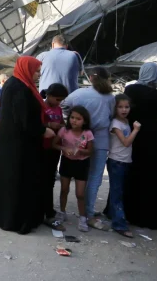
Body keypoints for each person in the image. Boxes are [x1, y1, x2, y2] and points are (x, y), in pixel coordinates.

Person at [0, 56, 52, 234]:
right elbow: (24, 119)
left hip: (13, 142)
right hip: (19, 145)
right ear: (27, 69)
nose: (39, 74)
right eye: (36, 70)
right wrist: (42, 131)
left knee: (12, 179)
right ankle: (16, 220)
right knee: (18, 179)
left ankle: (8, 215)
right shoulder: (19, 88)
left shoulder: (16, 84)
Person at [60, 67, 115, 230]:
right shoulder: (110, 97)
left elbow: (64, 106)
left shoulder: (79, 94)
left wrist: (70, 124)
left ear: (90, 78)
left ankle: (65, 212)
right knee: (94, 178)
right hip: (101, 139)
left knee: (74, 176)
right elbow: (111, 116)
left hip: (77, 138)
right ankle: (88, 214)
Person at [124, 62, 157, 230]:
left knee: (133, 174)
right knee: (153, 177)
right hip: (154, 140)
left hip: (134, 136)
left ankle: (128, 212)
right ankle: (150, 217)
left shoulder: (130, 90)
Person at [54, 106, 94, 232]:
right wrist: (64, 149)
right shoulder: (64, 131)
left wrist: (80, 150)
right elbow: (54, 144)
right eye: (72, 117)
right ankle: (62, 212)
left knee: (80, 194)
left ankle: (83, 218)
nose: (74, 121)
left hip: (81, 164)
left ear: (85, 121)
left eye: (78, 119)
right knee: (64, 190)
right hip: (67, 162)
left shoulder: (87, 134)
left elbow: (90, 151)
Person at [107, 94, 141, 238]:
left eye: (126, 107)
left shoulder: (126, 121)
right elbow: (126, 142)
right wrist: (136, 130)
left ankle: (113, 215)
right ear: (115, 108)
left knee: (117, 191)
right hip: (117, 162)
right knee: (117, 193)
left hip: (124, 161)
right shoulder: (116, 124)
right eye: (120, 107)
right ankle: (119, 224)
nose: (124, 109)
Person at [41, 83, 69, 231]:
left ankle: (48, 210)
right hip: (43, 149)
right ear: (49, 96)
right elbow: (36, 124)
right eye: (57, 99)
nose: (59, 103)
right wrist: (49, 124)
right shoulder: (42, 106)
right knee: (43, 180)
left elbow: (62, 122)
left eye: (61, 100)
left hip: (55, 149)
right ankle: (46, 212)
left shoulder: (58, 109)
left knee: (50, 180)